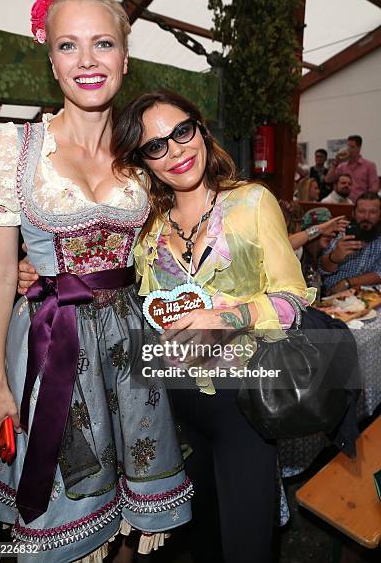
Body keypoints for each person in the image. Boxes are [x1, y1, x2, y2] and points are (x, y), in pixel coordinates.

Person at [0, 0, 192, 562]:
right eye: (69, 45)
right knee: (69, 513)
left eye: (103, 44)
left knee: (127, 519)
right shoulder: (15, 147)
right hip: (51, 346)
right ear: (50, 58)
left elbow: (190, 222)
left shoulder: (146, 149)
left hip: (131, 345)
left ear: (125, 56)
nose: (87, 61)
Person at [110, 90, 315, 563]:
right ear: (144, 162)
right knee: (200, 541)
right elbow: (117, 288)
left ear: (201, 130)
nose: (176, 150)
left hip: (246, 403)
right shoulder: (148, 226)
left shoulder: (251, 203)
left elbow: (292, 299)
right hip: (176, 407)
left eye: (182, 132)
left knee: (246, 545)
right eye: (155, 145)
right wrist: (35, 271)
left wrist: (227, 318)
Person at [320, 192, 381, 295]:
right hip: (333, 296)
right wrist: (334, 257)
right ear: (353, 213)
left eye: (373, 212)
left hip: (369, 296)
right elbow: (322, 269)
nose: (366, 217)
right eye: (361, 211)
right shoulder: (338, 233)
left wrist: (348, 282)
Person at [324, 135, 379, 203]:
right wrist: (336, 163)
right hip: (344, 204)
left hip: (361, 204)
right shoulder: (342, 166)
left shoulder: (369, 166)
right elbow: (328, 180)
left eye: (352, 147)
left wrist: (364, 201)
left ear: (359, 148)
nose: (349, 150)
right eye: (348, 147)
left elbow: (374, 189)